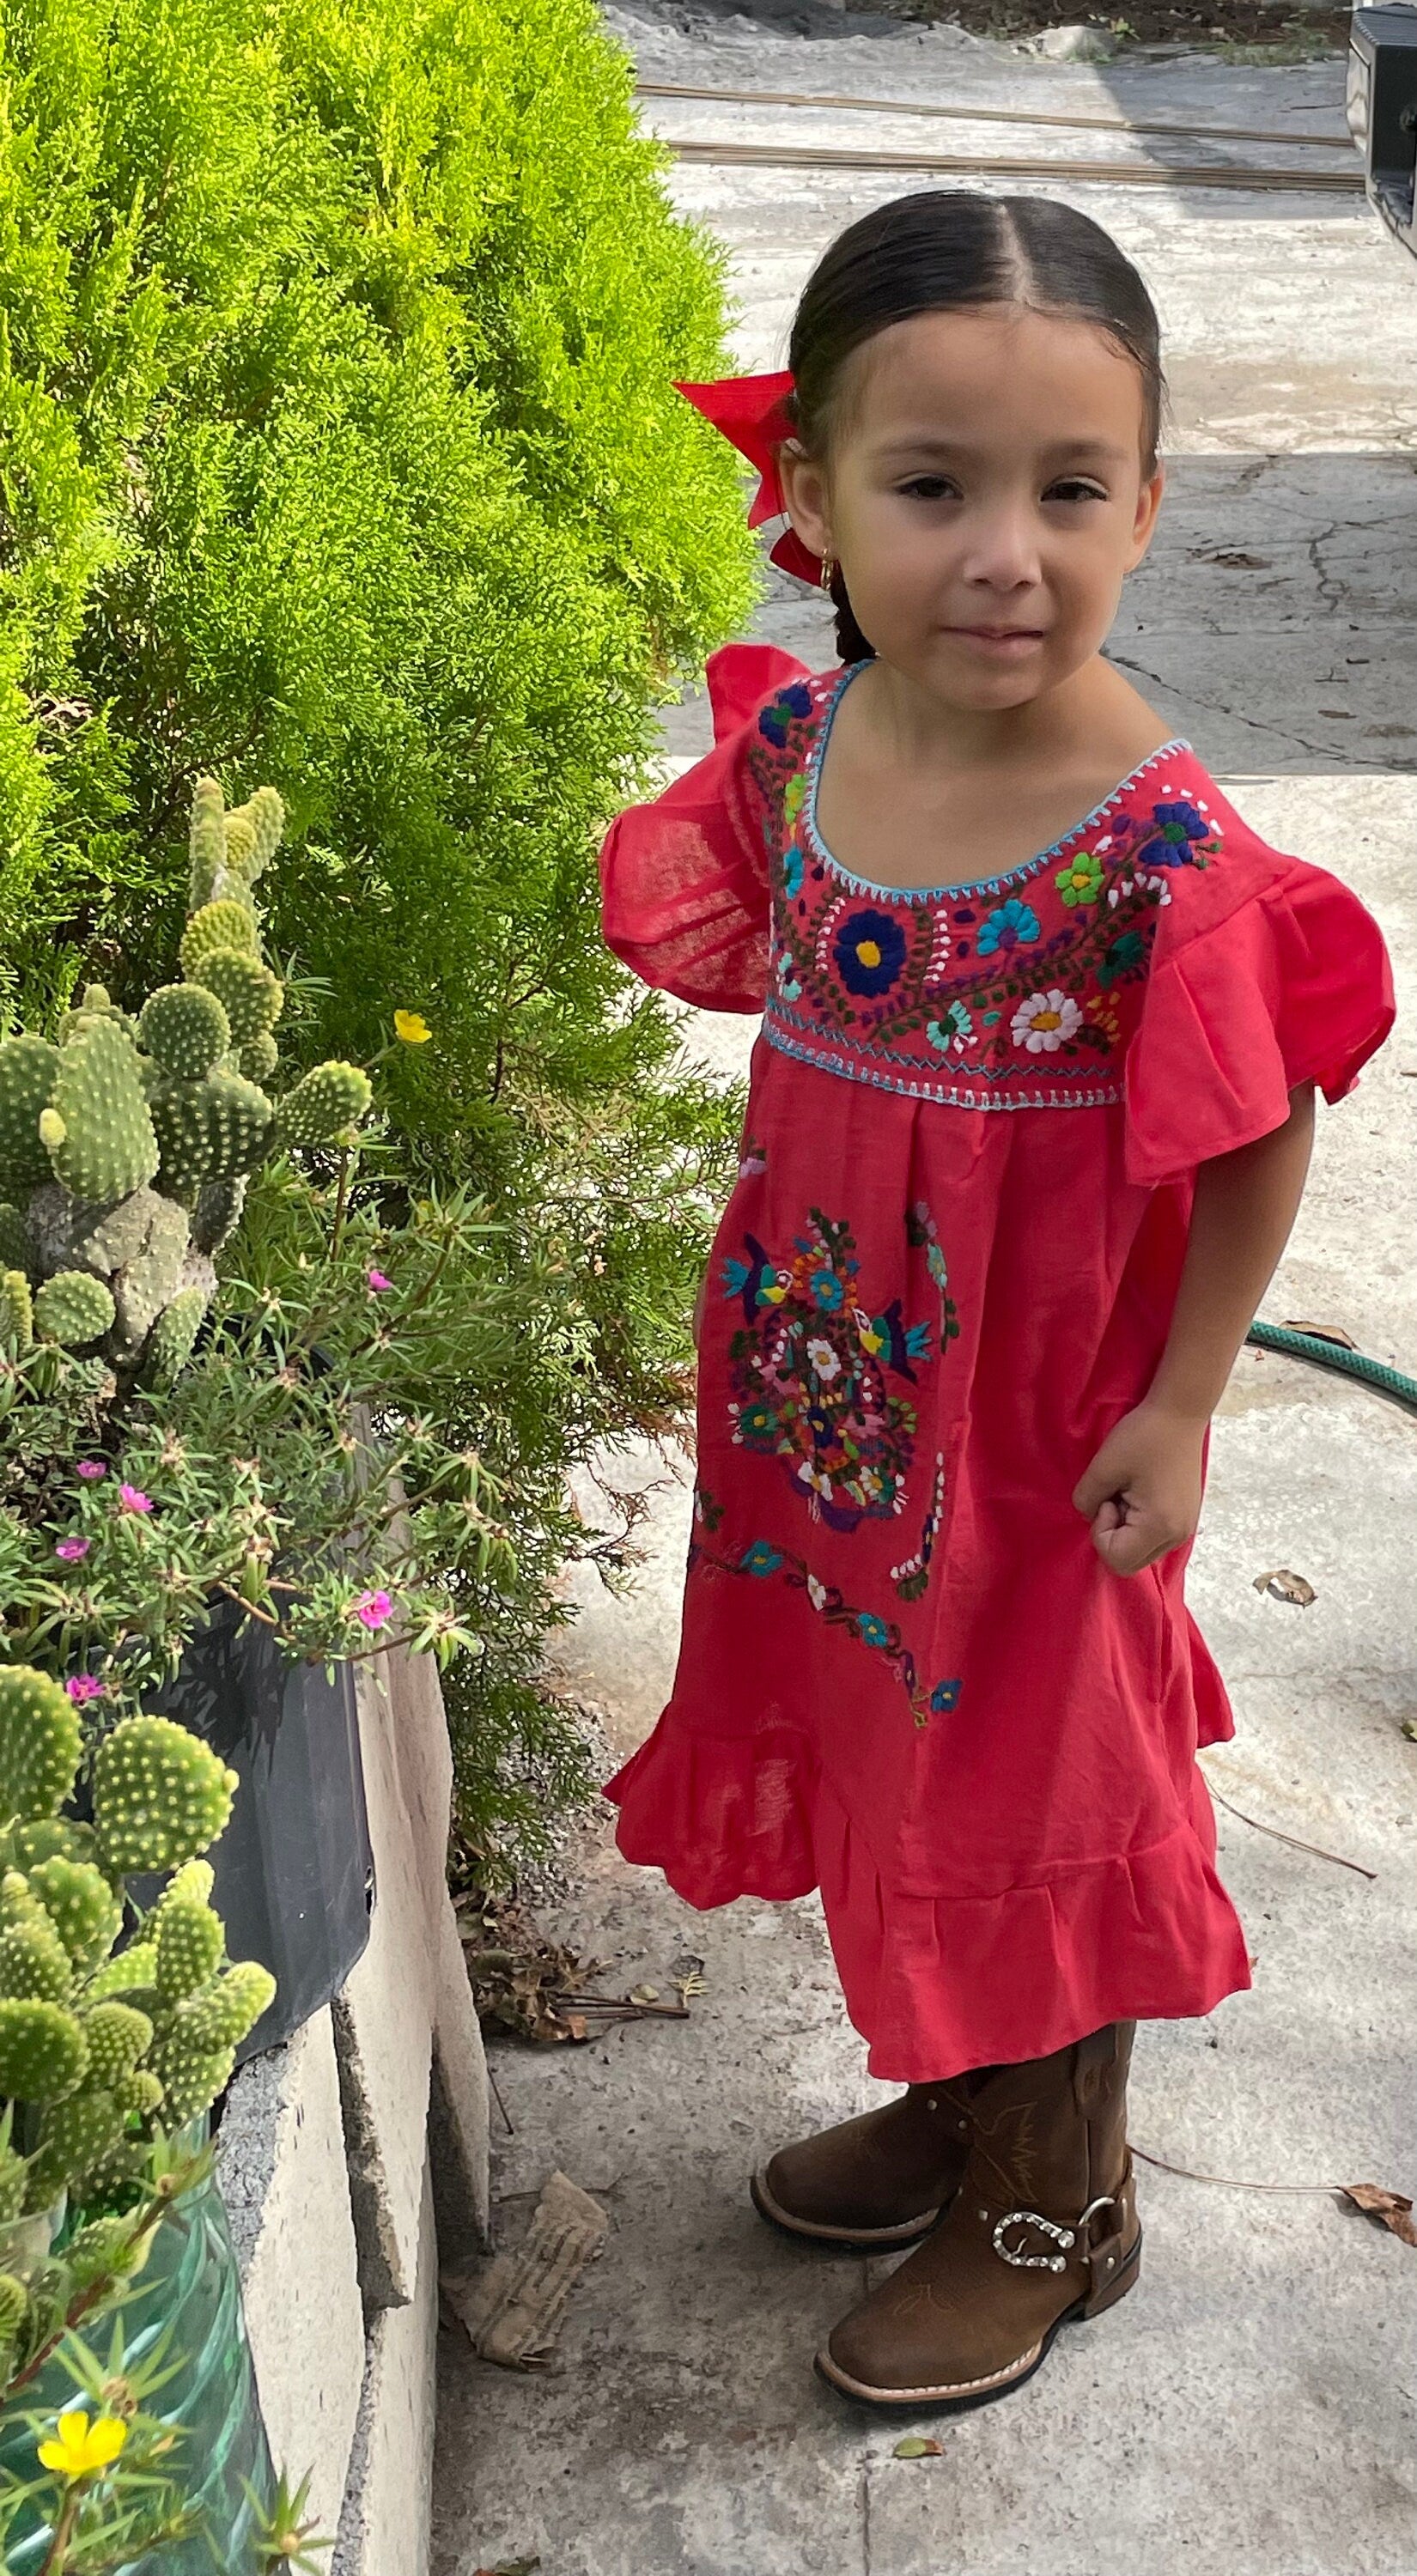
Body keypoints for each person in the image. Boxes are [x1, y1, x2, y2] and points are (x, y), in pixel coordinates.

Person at [596, 191, 1395, 2415]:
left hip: (1041, 1439)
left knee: (1032, 1770)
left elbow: (1252, 1124)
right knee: (890, 1740)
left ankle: (1057, 2196)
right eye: (928, 487)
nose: (1002, 556)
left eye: (1067, 491)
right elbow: (747, 965)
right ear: (810, 499)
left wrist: (1184, 1398)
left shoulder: (1141, 840)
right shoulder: (804, 754)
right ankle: (965, 2101)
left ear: (1145, 501)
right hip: (833, 1402)